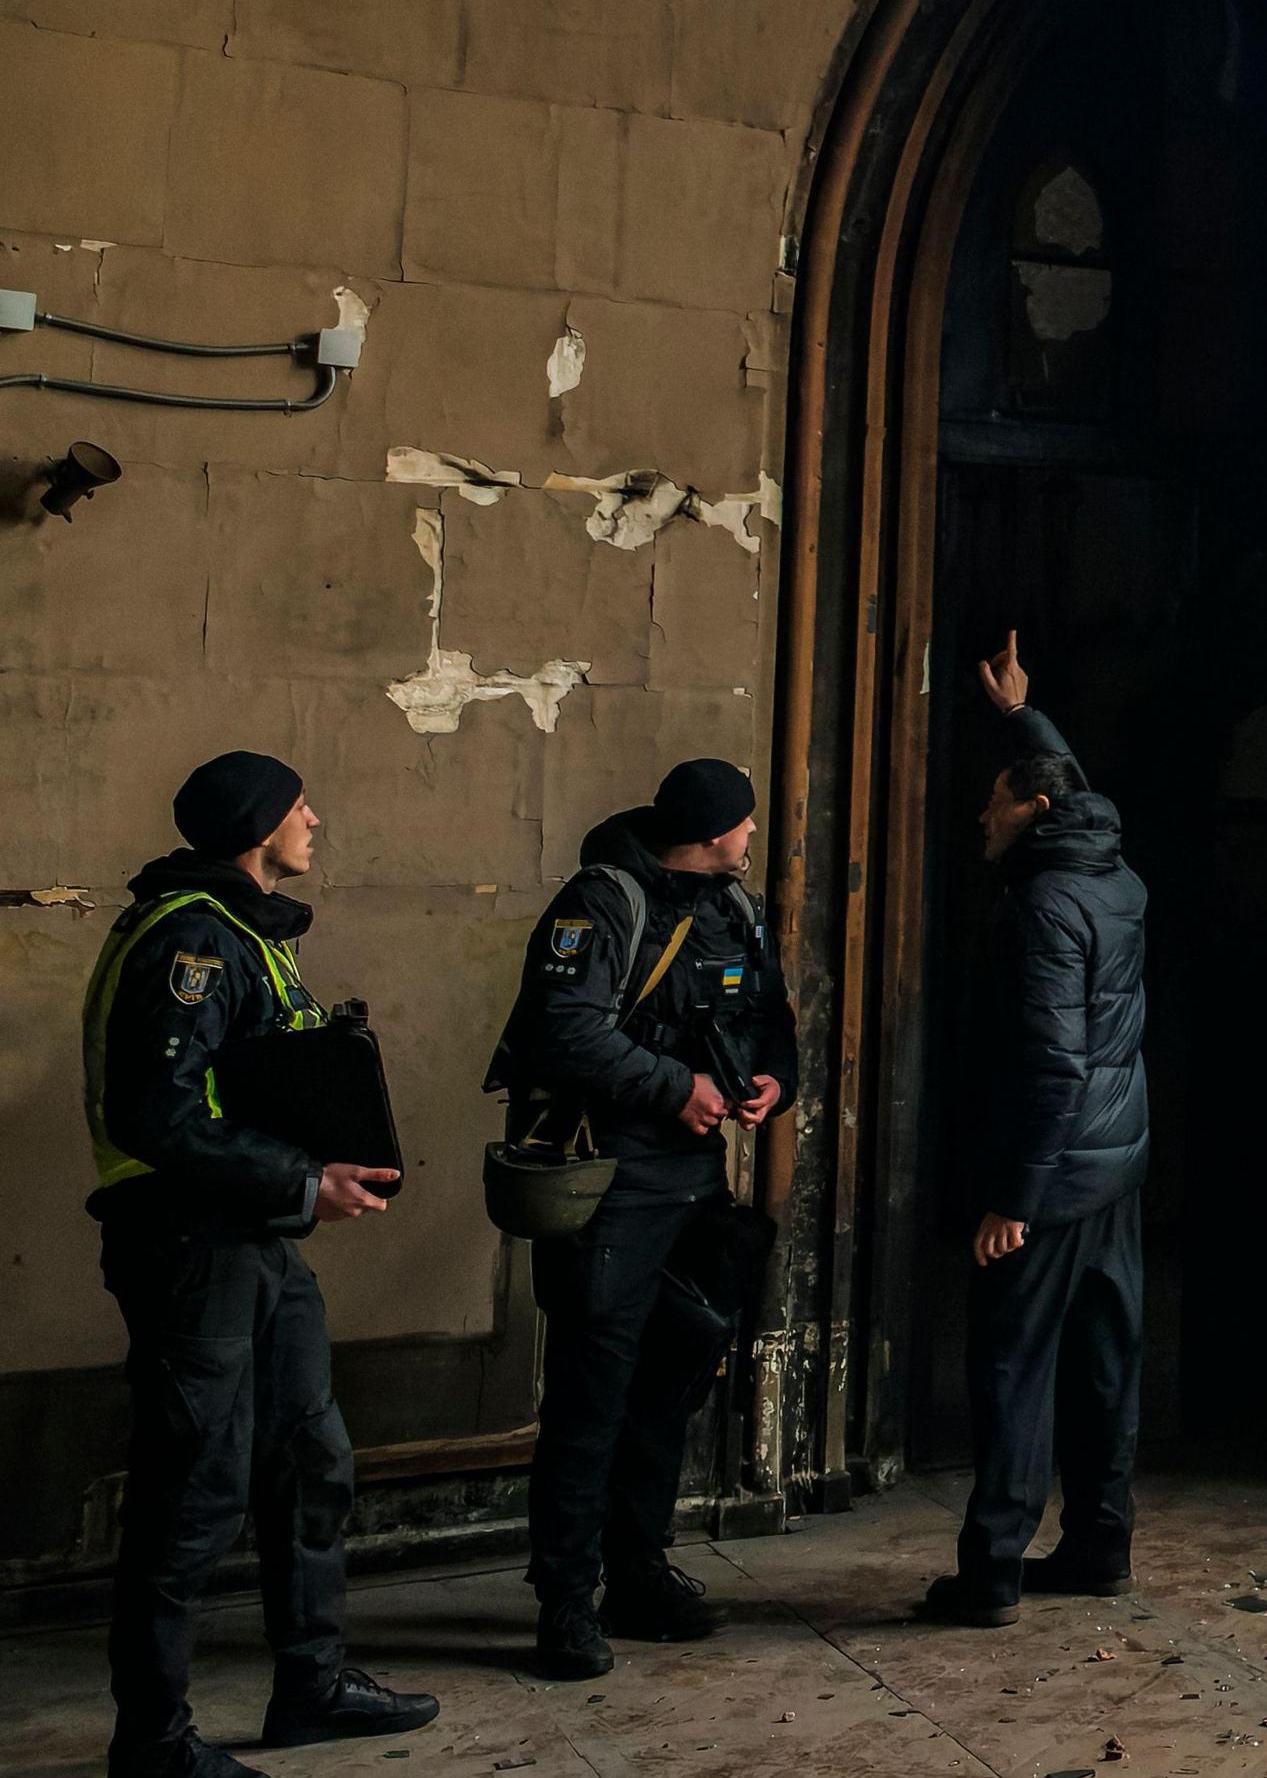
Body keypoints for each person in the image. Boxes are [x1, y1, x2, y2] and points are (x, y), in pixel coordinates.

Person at [82, 753, 436, 1778]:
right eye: (297, 806)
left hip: (254, 1241)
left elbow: (256, 1077)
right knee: (192, 1489)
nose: (313, 818)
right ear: (255, 824)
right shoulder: (192, 936)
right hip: (194, 1245)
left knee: (309, 1457)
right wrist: (302, 1182)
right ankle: (151, 1742)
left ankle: (312, 1685)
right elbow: (163, 1114)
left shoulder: (245, 929)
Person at [488, 758, 790, 1680]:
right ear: (712, 831)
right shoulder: (603, 901)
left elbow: (768, 1019)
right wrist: (676, 1088)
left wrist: (774, 1082)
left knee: (670, 1382)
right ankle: (566, 1602)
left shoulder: (734, 906)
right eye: (743, 823)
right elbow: (564, 1030)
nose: (751, 837)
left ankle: (639, 1572)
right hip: (610, 1183)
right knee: (592, 1397)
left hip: (694, 1186)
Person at [922, 632, 1153, 1626]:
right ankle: (1100, 1543)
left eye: (1000, 797)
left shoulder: (1043, 907)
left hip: (1053, 1179)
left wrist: (1011, 1200)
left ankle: (993, 1571)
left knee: (1015, 1369)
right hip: (1115, 1163)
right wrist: (1022, 716)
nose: (984, 811)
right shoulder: (1110, 871)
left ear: (1036, 811)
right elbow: (1073, 784)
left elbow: (1053, 1065)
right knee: (1106, 1360)